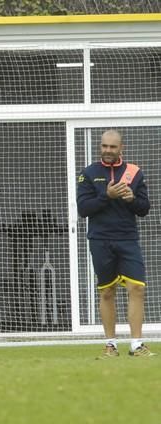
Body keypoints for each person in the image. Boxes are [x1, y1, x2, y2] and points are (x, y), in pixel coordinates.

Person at [77, 129, 155, 358]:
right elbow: (83, 209)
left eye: (112, 147)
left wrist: (132, 199)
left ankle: (136, 344)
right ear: (100, 147)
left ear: (122, 148)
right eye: (104, 146)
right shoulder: (89, 173)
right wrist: (107, 196)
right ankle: (110, 344)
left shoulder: (134, 172)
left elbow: (144, 208)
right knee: (107, 292)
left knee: (137, 289)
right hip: (100, 240)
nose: (107, 151)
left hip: (128, 239)